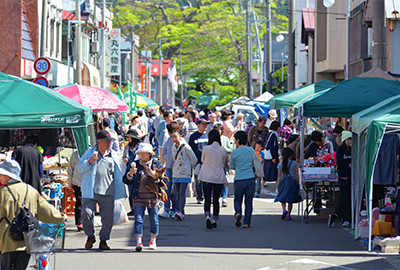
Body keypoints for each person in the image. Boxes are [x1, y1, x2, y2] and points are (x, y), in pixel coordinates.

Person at [0, 160, 64, 270]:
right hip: (27, 239)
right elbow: (45, 210)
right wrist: (61, 217)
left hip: (7, 241)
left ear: (8, 174)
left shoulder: (3, 192)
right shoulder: (30, 190)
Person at [77, 130, 127, 250]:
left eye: (111, 141)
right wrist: (89, 162)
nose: (109, 144)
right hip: (91, 190)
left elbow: (119, 172)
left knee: (108, 218)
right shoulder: (90, 152)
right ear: (99, 141)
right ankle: (90, 236)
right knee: (86, 213)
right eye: (107, 141)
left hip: (107, 191)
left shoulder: (113, 154)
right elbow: (79, 168)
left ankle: (103, 240)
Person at [123, 143, 164, 252]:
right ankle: (139, 242)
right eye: (139, 153)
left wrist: (154, 176)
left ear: (149, 154)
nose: (141, 155)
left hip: (153, 196)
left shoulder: (157, 165)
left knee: (154, 219)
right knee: (138, 219)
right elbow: (126, 180)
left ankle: (152, 240)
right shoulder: (134, 164)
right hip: (138, 196)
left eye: (143, 153)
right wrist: (130, 174)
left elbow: (163, 183)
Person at [199, 130, 228, 229]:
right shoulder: (223, 150)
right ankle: (215, 219)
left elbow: (202, 160)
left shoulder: (205, 148)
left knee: (207, 199)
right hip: (218, 177)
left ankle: (207, 216)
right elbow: (223, 163)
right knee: (216, 199)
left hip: (207, 176)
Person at [230, 131, 257, 228]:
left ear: (238, 140)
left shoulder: (234, 152)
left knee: (238, 199)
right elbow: (256, 163)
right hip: (250, 178)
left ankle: (238, 212)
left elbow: (232, 166)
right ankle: (247, 222)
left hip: (239, 178)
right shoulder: (251, 150)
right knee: (249, 201)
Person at [171, 129, 197, 220]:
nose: (173, 139)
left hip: (185, 173)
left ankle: (181, 211)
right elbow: (174, 159)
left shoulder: (186, 147)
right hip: (176, 173)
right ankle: (178, 210)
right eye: (172, 137)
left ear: (180, 136)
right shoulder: (173, 147)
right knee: (176, 193)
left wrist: (190, 167)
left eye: (175, 136)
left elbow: (194, 159)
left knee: (181, 193)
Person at [329, 131, 352, 228]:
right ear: (344, 140)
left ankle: (345, 219)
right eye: (349, 139)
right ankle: (335, 216)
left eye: (351, 139)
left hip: (352, 177)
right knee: (343, 199)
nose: (350, 141)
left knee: (348, 199)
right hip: (343, 177)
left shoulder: (353, 150)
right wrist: (349, 165)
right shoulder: (340, 150)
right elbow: (340, 163)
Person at [159, 121, 180, 219]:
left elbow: (163, 154)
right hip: (170, 168)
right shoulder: (168, 141)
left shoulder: (173, 141)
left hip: (174, 169)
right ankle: (170, 210)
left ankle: (171, 210)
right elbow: (164, 153)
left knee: (171, 190)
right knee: (169, 190)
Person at [275, 148, 301, 221]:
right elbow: (297, 175)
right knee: (290, 199)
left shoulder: (280, 164)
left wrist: (278, 185)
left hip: (283, 182)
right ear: (291, 155)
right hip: (292, 182)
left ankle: (284, 210)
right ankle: (288, 215)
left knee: (282, 197)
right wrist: (298, 183)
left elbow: (279, 176)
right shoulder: (295, 163)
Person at [188, 119, 209, 204]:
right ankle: (199, 197)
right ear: (198, 125)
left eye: (206, 124)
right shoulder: (193, 136)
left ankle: (207, 196)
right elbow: (191, 149)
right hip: (198, 161)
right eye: (203, 124)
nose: (205, 126)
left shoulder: (208, 135)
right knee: (198, 180)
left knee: (208, 180)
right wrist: (194, 161)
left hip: (208, 161)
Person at [213, 123, 234, 207]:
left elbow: (231, 149)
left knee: (225, 180)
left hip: (224, 163)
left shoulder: (225, 139)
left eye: (219, 130)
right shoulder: (212, 139)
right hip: (215, 163)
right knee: (216, 181)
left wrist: (225, 149)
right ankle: (216, 197)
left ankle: (224, 198)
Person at [122, 129, 141, 216]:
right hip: (129, 171)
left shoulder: (139, 146)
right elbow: (123, 157)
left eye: (129, 137)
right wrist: (124, 159)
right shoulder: (127, 147)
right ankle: (132, 208)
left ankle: (138, 208)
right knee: (130, 190)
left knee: (137, 190)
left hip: (138, 171)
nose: (128, 139)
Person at [67, 150, 84, 231]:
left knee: (88, 203)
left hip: (88, 183)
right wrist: (69, 182)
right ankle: (79, 222)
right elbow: (70, 169)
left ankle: (87, 221)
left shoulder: (92, 153)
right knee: (79, 202)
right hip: (77, 182)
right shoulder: (75, 155)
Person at [264, 121, 280, 192]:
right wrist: (274, 157)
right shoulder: (273, 135)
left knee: (266, 171)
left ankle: (262, 187)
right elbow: (272, 146)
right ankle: (277, 188)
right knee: (276, 173)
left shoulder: (270, 133)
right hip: (272, 156)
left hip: (269, 155)